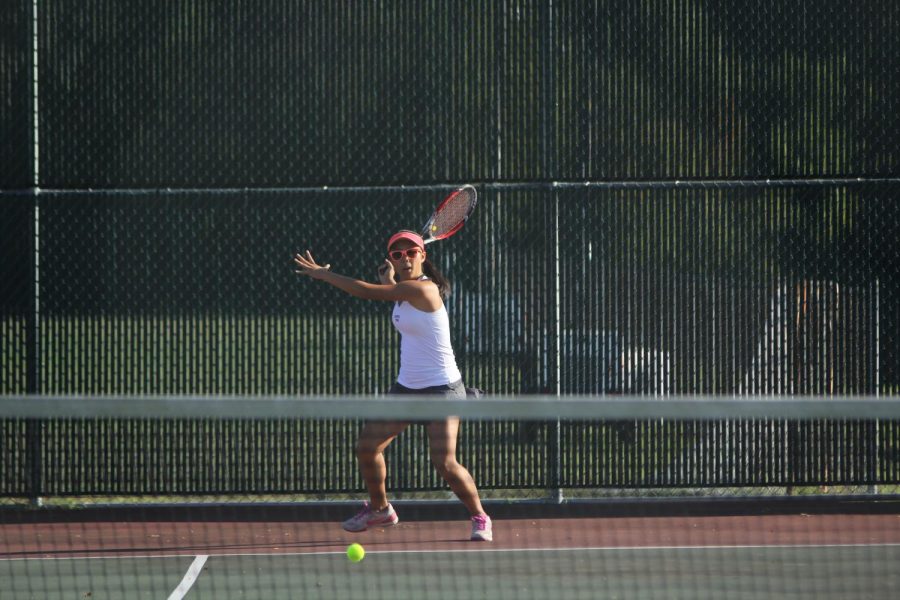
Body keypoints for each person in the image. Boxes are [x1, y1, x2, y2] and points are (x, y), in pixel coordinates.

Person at [293, 230, 492, 542]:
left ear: (423, 256)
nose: (405, 258)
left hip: (442, 389)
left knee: (445, 463)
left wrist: (324, 275)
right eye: (398, 254)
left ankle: (480, 516)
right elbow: (397, 297)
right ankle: (380, 509)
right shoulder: (402, 291)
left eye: (411, 253)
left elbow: (366, 292)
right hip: (406, 389)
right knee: (367, 448)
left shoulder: (425, 289)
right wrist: (390, 282)